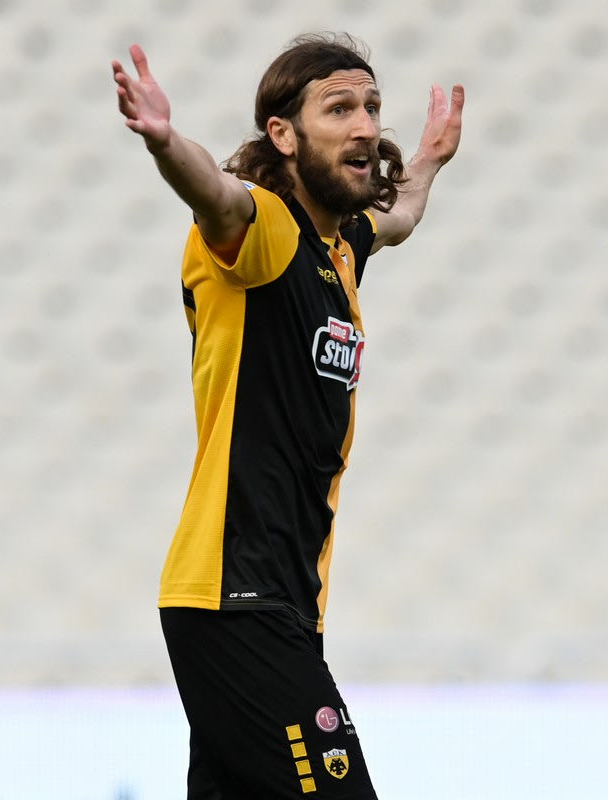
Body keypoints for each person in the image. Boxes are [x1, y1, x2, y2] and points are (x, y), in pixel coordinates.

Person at [111, 32, 464, 799]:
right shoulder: (266, 230)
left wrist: (431, 159)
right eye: (339, 108)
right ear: (283, 134)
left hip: (279, 607)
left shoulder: (338, 249)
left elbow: (399, 217)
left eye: (371, 106)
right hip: (235, 599)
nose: (365, 124)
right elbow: (217, 196)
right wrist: (166, 143)